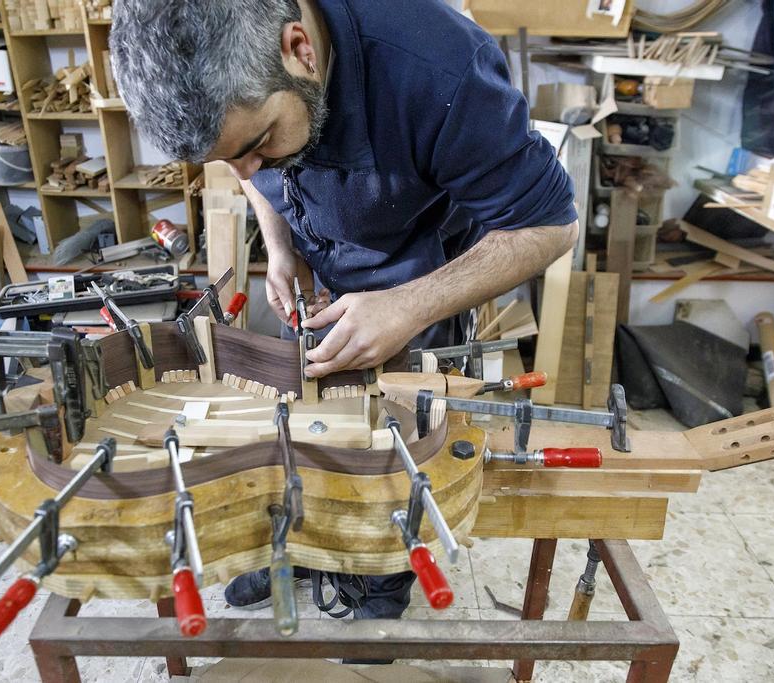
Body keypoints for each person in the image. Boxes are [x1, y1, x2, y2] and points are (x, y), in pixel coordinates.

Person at [111, 0, 578, 625]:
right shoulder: (253, 92)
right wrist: (278, 247)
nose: (245, 172)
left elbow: (550, 225)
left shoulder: (440, 71)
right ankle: (301, 544)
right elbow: (250, 167)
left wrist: (408, 305)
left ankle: (378, 574)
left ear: (300, 49)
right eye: (228, 159)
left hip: (417, 282)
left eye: (258, 143)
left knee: (386, 446)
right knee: (299, 418)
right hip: (318, 278)